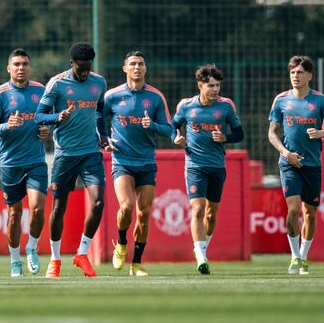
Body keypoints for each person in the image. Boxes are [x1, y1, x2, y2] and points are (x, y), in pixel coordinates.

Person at [35, 43, 107, 278]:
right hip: (65, 154)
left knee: (98, 203)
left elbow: (99, 110)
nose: (85, 73)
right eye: (80, 68)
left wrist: (103, 136)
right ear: (72, 64)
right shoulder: (57, 84)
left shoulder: (99, 83)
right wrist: (58, 116)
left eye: (88, 68)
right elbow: (38, 116)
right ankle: (55, 260)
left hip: (90, 153)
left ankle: (82, 253)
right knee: (59, 206)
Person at [268, 55, 324, 275]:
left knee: (309, 213)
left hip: (312, 165)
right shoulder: (281, 100)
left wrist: (322, 133)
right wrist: (285, 153)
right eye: (292, 73)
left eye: (300, 72)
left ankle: (305, 257)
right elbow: (272, 133)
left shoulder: (320, 101)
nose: (295, 76)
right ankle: (294, 257)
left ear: (309, 75)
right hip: (289, 163)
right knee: (292, 209)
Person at [103, 51, 173, 276]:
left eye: (141, 64)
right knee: (126, 207)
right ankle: (121, 243)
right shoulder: (112, 96)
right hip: (122, 161)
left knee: (144, 213)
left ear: (146, 68)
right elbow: (98, 120)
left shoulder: (155, 97)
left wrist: (151, 125)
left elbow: (168, 129)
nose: (137, 67)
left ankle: (136, 263)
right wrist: (104, 140)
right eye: (132, 64)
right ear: (124, 68)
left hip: (146, 162)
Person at [172, 64, 244, 275]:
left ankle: (203, 247)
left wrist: (226, 138)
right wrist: (175, 138)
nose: (215, 90)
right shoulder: (186, 106)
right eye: (211, 85)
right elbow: (173, 126)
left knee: (211, 215)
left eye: (218, 85)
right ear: (200, 85)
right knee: (197, 209)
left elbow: (239, 134)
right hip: (194, 165)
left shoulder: (226, 106)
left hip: (217, 166)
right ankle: (201, 256)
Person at [0, 48, 49, 277]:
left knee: (38, 208)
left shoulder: (41, 90)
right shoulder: (0, 94)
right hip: (10, 163)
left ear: (29, 67)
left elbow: (48, 119)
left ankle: (31, 247)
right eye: (17, 64)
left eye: (24, 64)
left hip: (35, 161)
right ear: (8, 68)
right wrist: (5, 126)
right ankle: (14, 260)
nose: (21, 68)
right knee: (14, 214)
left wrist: (46, 130)